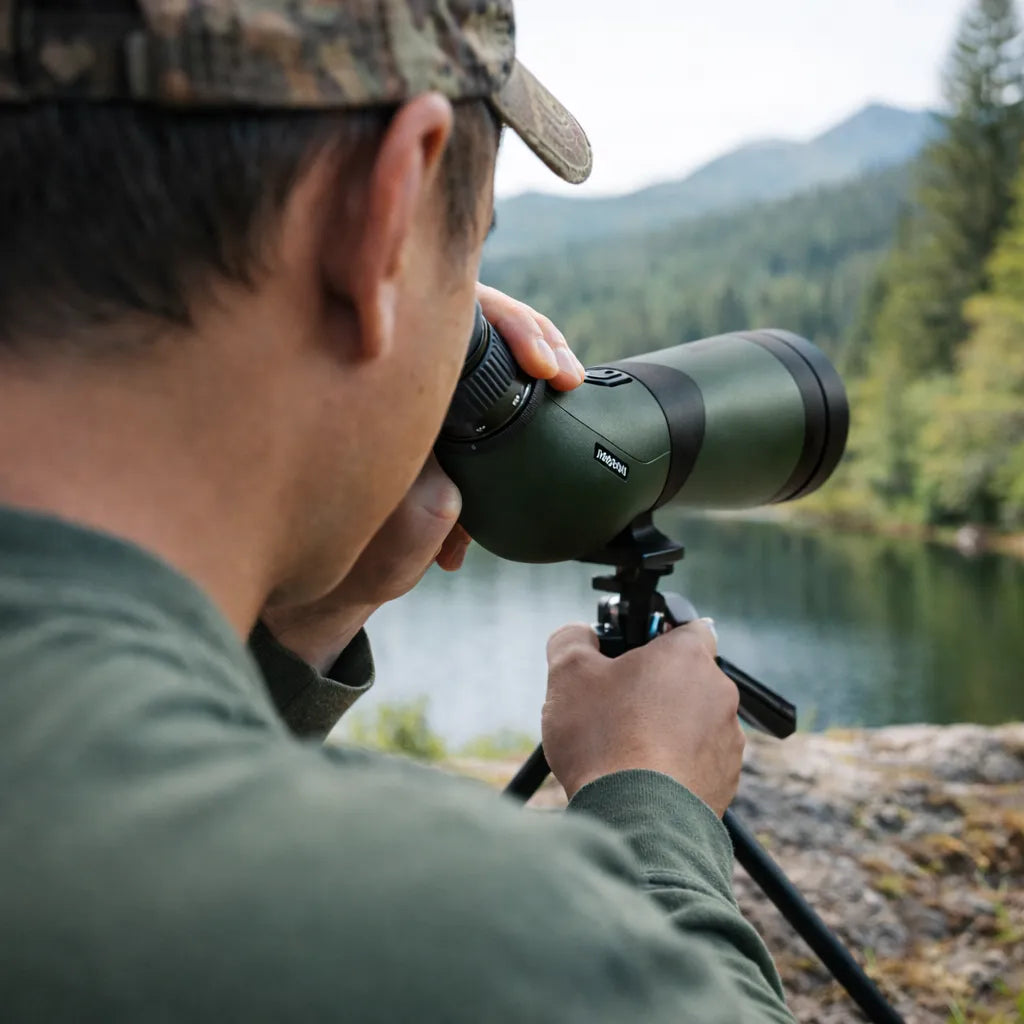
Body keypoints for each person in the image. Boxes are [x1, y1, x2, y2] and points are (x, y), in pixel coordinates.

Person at [0, 1, 795, 1020]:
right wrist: (652, 799)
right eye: (469, 252)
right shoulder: (475, 941)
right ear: (387, 206)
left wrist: (299, 631)